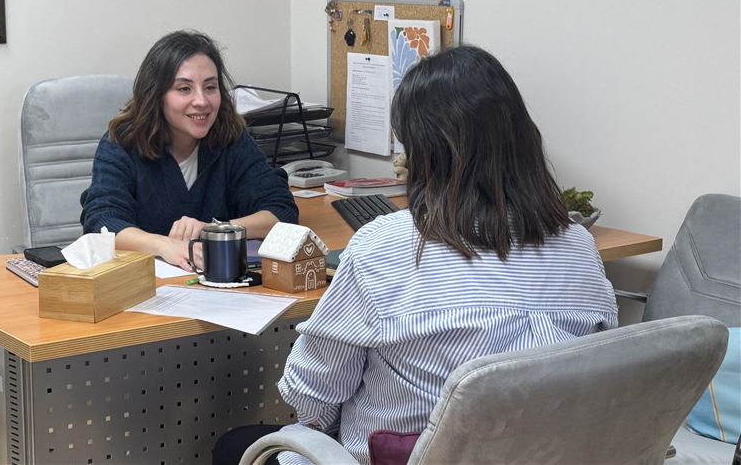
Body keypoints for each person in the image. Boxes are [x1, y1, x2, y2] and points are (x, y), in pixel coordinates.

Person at [215, 45, 619, 465]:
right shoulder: (578, 246)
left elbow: (313, 395)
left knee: (236, 446)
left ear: (425, 151)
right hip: (534, 453)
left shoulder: (384, 246)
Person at [80, 31, 298, 271]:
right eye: (184, 89)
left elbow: (281, 211)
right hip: (143, 289)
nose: (202, 101)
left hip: (216, 288)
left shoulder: (230, 137)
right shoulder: (123, 142)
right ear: (156, 95)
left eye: (210, 87)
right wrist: (167, 246)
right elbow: (101, 224)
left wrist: (214, 229)